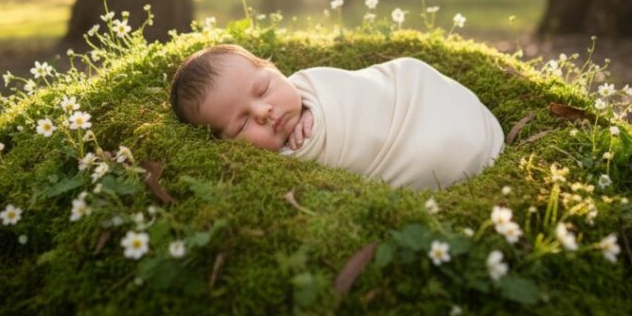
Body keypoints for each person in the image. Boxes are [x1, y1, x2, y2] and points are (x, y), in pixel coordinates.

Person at [169, 44, 504, 190]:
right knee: (436, 153)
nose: (263, 112)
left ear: (275, 69)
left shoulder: (314, 83)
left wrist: (318, 110)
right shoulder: (277, 166)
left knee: (410, 70)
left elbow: (365, 90)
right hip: (421, 153)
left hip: (415, 96)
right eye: (241, 123)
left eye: (263, 88)